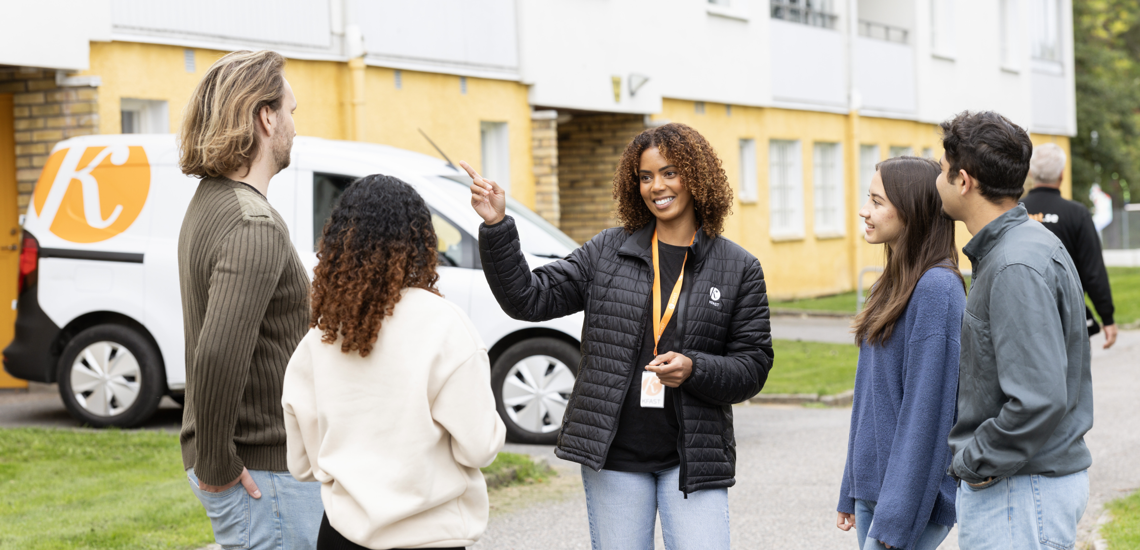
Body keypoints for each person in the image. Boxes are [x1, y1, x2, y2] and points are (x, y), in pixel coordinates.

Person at [463, 122, 773, 549]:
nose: (656, 187)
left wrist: (695, 368)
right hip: (615, 458)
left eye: (669, 172)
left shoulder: (738, 267)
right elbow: (528, 299)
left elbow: (753, 365)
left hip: (692, 460)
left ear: (696, 177)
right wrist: (497, 225)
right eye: (645, 177)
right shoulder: (608, 251)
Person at [282, 174, 506, 550]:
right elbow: (480, 447)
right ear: (420, 241)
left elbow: (302, 465)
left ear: (339, 242)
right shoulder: (445, 326)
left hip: (342, 536)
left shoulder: (321, 337)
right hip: (430, 537)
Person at [177, 50, 322, 548]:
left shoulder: (212, 201)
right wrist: (217, 466)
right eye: (291, 111)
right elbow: (218, 353)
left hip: (257, 470)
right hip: (266, 476)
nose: (294, 128)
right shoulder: (251, 223)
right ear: (266, 117)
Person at [937, 112, 1092, 550]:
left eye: (941, 169)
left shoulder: (1014, 265)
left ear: (963, 180)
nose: (936, 180)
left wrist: (974, 461)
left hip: (1017, 491)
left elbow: (1038, 398)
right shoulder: (1022, 245)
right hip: (1022, 487)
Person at [835, 157, 966, 550]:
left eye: (876, 201)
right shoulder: (891, 285)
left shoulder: (937, 290)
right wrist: (851, 486)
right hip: (877, 493)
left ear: (910, 211)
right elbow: (869, 399)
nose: (864, 210)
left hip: (908, 506)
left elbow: (927, 417)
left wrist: (898, 519)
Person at [1021, 143, 1117, 348]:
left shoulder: (1015, 212)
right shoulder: (1077, 214)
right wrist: (1107, 317)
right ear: (1062, 175)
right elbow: (1093, 271)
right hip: (1067, 319)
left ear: (1030, 173)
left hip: (1022, 317)